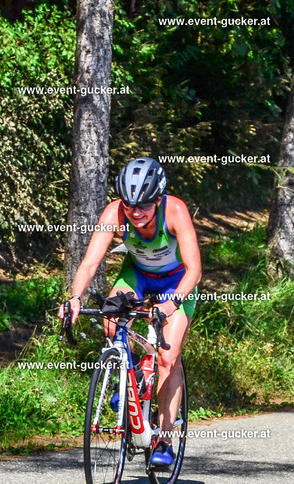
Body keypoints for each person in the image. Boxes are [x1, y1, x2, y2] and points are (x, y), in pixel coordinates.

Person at [58, 157, 202, 465]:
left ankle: (164, 439)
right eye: (129, 205)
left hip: (177, 281)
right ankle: (131, 376)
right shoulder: (114, 212)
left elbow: (194, 270)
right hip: (137, 275)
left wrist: (171, 304)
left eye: (144, 206)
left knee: (167, 356)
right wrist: (75, 298)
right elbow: (90, 261)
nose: (135, 213)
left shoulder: (175, 210)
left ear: (158, 199)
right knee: (111, 321)